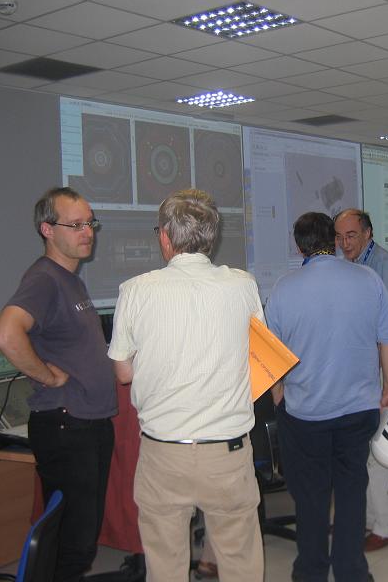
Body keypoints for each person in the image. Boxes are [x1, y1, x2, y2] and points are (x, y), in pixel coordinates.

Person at [107, 189, 264, 582]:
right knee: (240, 559)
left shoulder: (136, 290)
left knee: (165, 564)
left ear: (164, 237)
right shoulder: (243, 285)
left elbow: (123, 374)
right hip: (227, 453)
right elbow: (259, 355)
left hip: (164, 454)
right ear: (211, 237)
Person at [266, 212, 388, 582]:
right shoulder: (368, 279)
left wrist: (280, 397)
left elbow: (270, 357)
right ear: (333, 239)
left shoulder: (283, 289)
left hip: (305, 414)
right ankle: (351, 571)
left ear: (299, 247)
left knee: (310, 499)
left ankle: (310, 572)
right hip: (358, 411)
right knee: (351, 491)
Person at [0, 186, 116, 582]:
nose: (87, 232)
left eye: (90, 223)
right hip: (66, 424)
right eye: (76, 225)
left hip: (88, 423)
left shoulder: (70, 280)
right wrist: (47, 374)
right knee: (72, 543)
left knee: (79, 540)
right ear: (47, 229)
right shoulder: (45, 278)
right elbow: (6, 334)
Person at [334, 208, 388, 552]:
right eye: (339, 236)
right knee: (361, 452)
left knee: (380, 451)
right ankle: (369, 520)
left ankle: (386, 526)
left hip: (376, 372)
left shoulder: (382, 265)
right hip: (357, 374)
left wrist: (385, 383)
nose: (344, 243)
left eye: (351, 236)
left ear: (368, 234)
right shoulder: (347, 265)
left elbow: (387, 331)